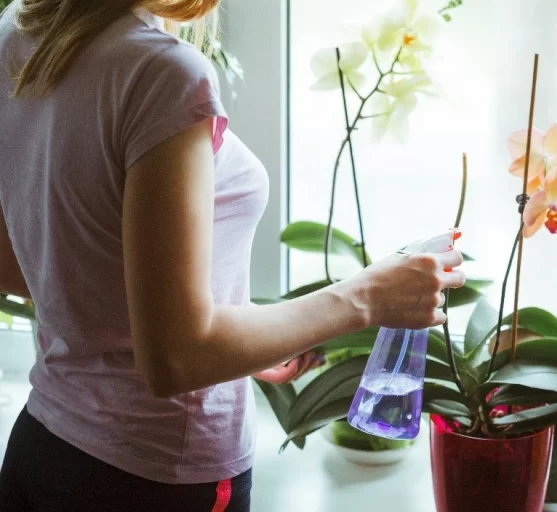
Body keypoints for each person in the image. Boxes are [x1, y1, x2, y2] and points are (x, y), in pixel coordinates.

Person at [0, 1, 465, 510]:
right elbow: (176, 359)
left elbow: (23, 265)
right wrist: (369, 297)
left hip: (42, 450)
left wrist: (230, 337)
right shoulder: (161, 75)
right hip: (152, 477)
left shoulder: (25, 28)